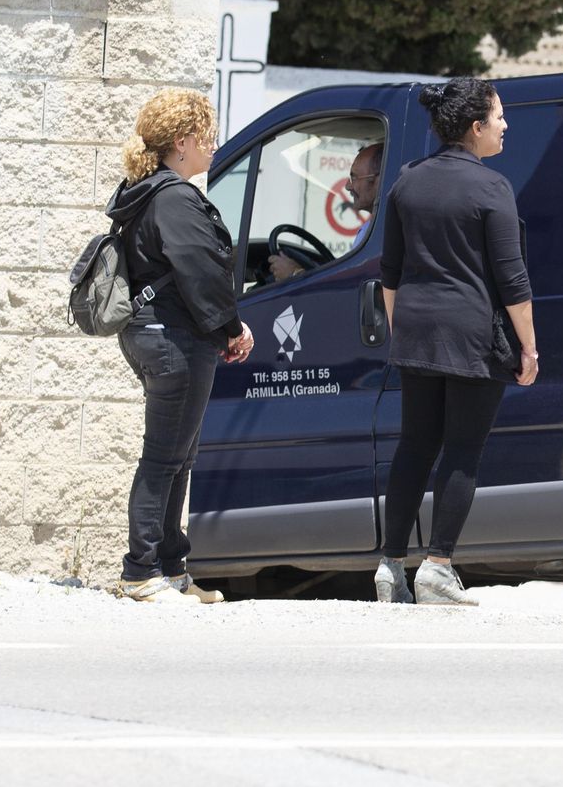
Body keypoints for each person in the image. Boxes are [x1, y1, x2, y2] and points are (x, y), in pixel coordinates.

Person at [375, 77, 539, 606]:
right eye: (498, 117)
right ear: (476, 127)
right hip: (473, 337)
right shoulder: (492, 188)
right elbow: (513, 284)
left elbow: (391, 274)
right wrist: (529, 348)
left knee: (414, 447)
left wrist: (404, 332)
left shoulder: (406, 181)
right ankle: (438, 566)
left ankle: (388, 566)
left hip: (416, 334)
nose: (505, 125)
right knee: (463, 450)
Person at [106, 89, 254, 604]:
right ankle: (140, 571)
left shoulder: (147, 191)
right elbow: (200, 272)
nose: (213, 146)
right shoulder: (173, 198)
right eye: (207, 137)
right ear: (183, 142)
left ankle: (171, 567)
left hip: (153, 333)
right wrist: (232, 328)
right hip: (172, 338)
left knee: (178, 455)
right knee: (164, 458)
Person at [268, 142, 383, 282]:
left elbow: (349, 286)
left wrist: (295, 273)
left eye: (354, 177)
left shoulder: (383, 230)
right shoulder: (374, 227)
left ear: (379, 179)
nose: (347, 186)